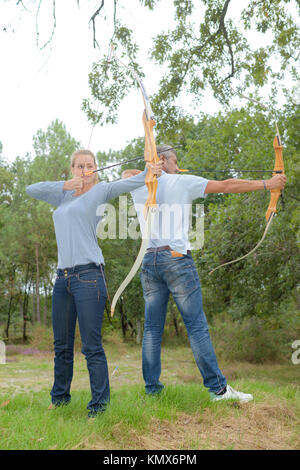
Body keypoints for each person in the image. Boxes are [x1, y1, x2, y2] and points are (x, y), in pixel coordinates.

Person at [122, 144, 286, 402]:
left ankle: (152, 391)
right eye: (175, 161)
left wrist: (149, 170)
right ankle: (218, 390)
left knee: (152, 329)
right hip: (176, 259)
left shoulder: (138, 183)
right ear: (162, 159)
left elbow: (126, 173)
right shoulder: (179, 181)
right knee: (196, 326)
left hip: (150, 261)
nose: (178, 166)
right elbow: (227, 185)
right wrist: (268, 183)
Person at [26, 149, 162, 418]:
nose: (84, 169)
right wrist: (66, 184)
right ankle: (60, 398)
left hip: (89, 276)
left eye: (89, 165)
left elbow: (133, 182)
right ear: (72, 169)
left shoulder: (100, 191)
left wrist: (150, 170)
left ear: (96, 169)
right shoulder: (62, 195)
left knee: (91, 346)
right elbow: (32, 189)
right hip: (62, 279)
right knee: (62, 345)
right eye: (79, 166)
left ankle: (99, 407)